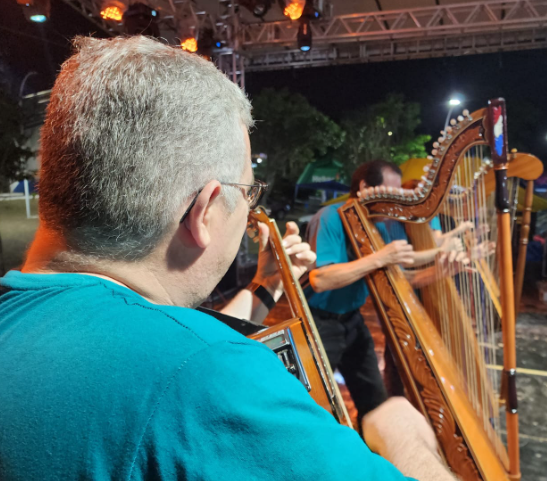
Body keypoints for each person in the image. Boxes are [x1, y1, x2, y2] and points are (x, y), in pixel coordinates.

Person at [0, 36, 455, 481]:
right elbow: (186, 362)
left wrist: (265, 285)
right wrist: (401, 433)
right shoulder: (209, 373)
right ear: (205, 210)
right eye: (248, 192)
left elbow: (157, 332)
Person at [306, 160, 464, 421]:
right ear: (365, 187)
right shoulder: (330, 216)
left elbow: (401, 271)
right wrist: (380, 258)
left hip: (353, 321)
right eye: (389, 191)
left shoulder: (378, 224)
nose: (393, 199)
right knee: (315, 405)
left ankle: (372, 455)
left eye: (396, 192)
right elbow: (321, 279)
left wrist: (442, 267)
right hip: (318, 324)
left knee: (375, 403)